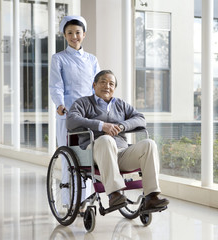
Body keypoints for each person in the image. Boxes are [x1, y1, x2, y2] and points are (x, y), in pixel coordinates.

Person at [66, 70, 169, 210]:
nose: (107, 86)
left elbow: (141, 119)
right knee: (106, 140)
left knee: (149, 144)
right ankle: (114, 195)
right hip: (95, 151)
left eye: (111, 84)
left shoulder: (121, 105)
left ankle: (151, 197)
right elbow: (71, 120)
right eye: (103, 82)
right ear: (94, 85)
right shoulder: (83, 103)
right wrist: (101, 125)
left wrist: (122, 126)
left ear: (114, 88)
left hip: (120, 152)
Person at [49, 15, 100, 206]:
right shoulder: (59, 59)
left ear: (84, 34)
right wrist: (60, 105)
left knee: (86, 159)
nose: (74, 36)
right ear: (64, 35)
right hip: (67, 113)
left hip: (88, 114)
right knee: (68, 158)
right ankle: (70, 202)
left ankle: (85, 200)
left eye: (77, 32)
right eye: (69, 33)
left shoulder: (92, 60)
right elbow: (55, 86)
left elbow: (98, 85)